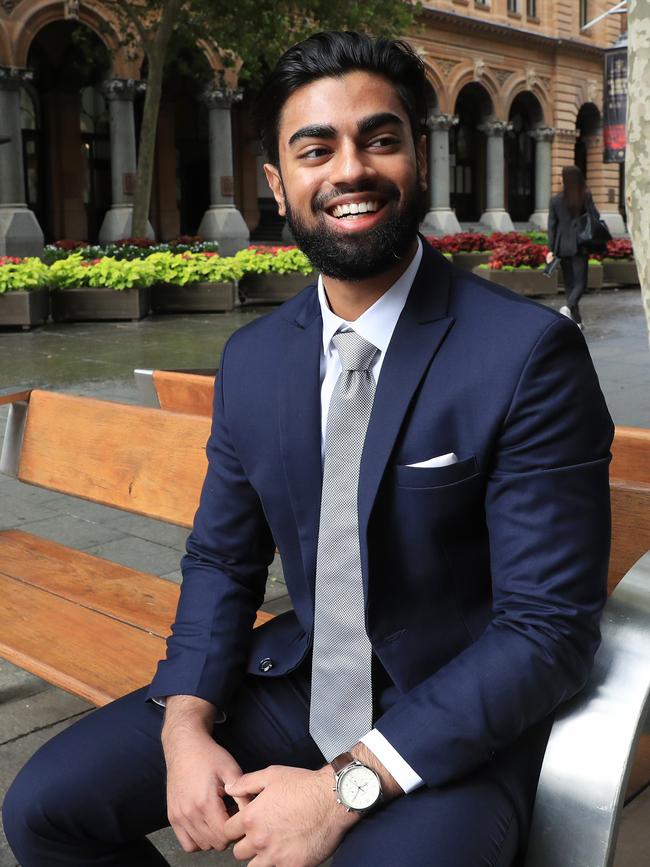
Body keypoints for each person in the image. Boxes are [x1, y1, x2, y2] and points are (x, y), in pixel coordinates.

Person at [3, 32, 614, 867]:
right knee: (44, 810)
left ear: (417, 160)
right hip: (301, 681)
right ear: (277, 182)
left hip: (456, 718)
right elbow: (221, 560)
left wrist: (341, 787)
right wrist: (184, 721)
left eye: (380, 138)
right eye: (315, 148)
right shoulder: (256, 361)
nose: (349, 169)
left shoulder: (525, 355)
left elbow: (545, 631)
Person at [546, 164, 602, 330]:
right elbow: (595, 216)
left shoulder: (555, 200)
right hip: (580, 245)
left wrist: (550, 249)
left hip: (561, 246)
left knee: (570, 284)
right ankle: (569, 308)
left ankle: (577, 322)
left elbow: (552, 226)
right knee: (580, 283)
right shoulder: (584, 196)